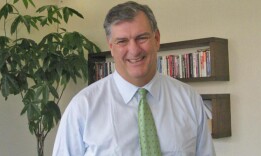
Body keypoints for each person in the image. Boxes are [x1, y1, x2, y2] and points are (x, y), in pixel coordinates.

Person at [52, 1, 216, 156]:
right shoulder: (83, 107)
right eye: (122, 41)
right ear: (111, 47)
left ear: (156, 39)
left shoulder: (189, 99)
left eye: (141, 38)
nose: (134, 50)